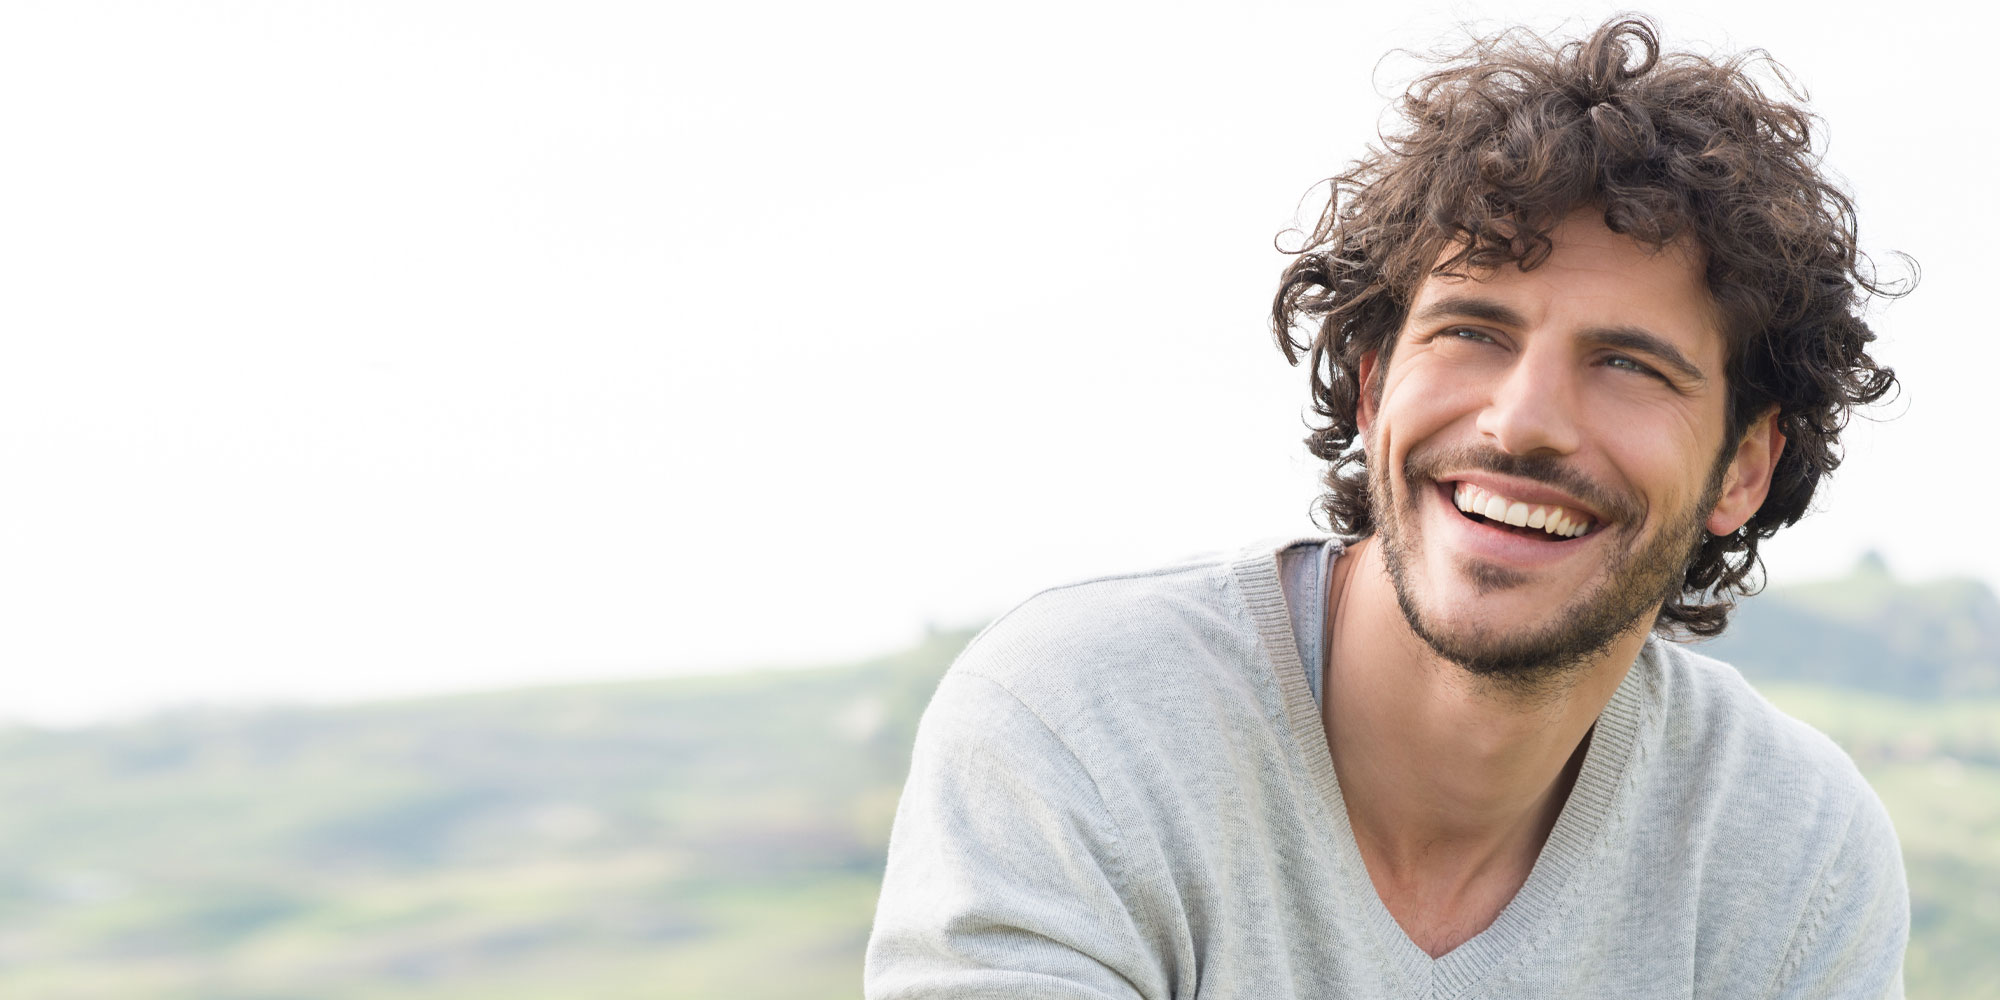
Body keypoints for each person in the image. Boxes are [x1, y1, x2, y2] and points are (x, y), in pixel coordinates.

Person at [865, 16, 1909, 999]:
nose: (1521, 422)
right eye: (1471, 332)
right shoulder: (1082, 721)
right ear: (1371, 388)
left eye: (1627, 364)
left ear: (1743, 467)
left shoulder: (1790, 850)